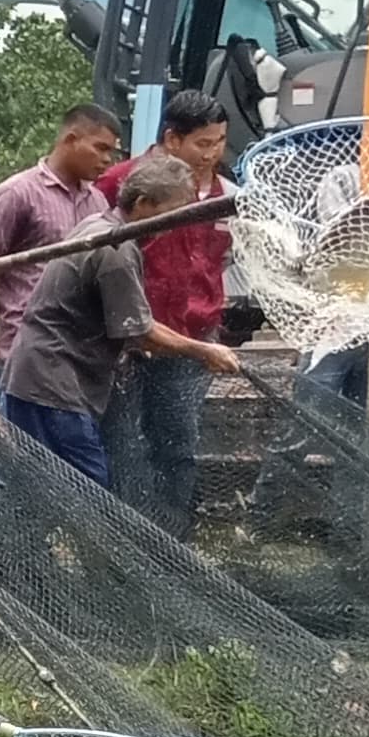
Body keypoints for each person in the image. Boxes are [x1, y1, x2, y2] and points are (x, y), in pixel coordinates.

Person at [0, 156, 231, 483]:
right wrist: (205, 351)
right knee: (88, 490)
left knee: (34, 486)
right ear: (144, 203)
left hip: (39, 377)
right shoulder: (114, 248)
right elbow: (142, 333)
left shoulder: (99, 226)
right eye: (172, 213)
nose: (175, 225)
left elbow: (136, 319)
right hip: (54, 384)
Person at [91, 90, 235, 534]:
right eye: (202, 144)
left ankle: (174, 534)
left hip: (191, 340)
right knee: (121, 439)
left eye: (219, 142)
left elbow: (221, 260)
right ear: (172, 139)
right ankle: (129, 533)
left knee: (178, 440)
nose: (211, 154)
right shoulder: (122, 182)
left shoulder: (226, 193)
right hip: (129, 338)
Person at [0, 103, 131, 335]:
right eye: (100, 148)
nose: (107, 160)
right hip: (24, 350)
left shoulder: (98, 202)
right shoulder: (17, 194)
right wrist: (18, 310)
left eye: (112, 152)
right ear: (71, 140)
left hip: (80, 350)